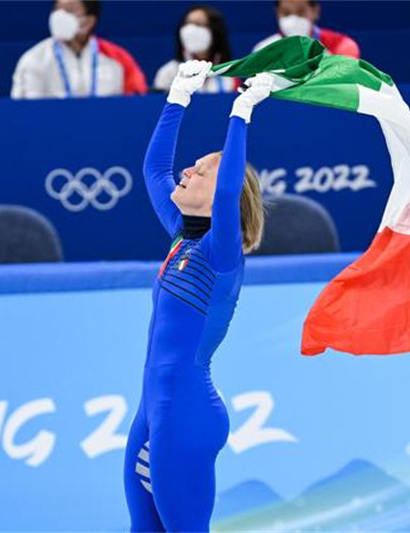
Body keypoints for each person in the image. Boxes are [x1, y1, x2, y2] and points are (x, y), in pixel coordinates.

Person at [123, 60, 270, 532]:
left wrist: (241, 113)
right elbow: (154, 168)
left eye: (202, 171)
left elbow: (228, 194)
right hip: (153, 413)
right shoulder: (181, 239)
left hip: (186, 415)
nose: (187, 171)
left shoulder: (220, 253)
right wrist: (177, 98)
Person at [11, 0, 147, 99]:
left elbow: (136, 99)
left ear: (88, 22)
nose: (59, 16)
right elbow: (25, 109)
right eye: (56, 10)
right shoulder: (33, 58)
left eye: (69, 10)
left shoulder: (119, 58)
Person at [153, 5, 236, 94]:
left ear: (215, 31)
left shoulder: (230, 72)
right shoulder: (169, 72)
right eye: (187, 24)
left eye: (198, 24)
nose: (190, 29)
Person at [252, 0, 360, 57]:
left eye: (300, 12)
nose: (293, 19)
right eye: (286, 13)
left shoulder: (342, 44)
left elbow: (345, 82)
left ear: (315, 11)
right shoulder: (262, 50)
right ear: (277, 13)